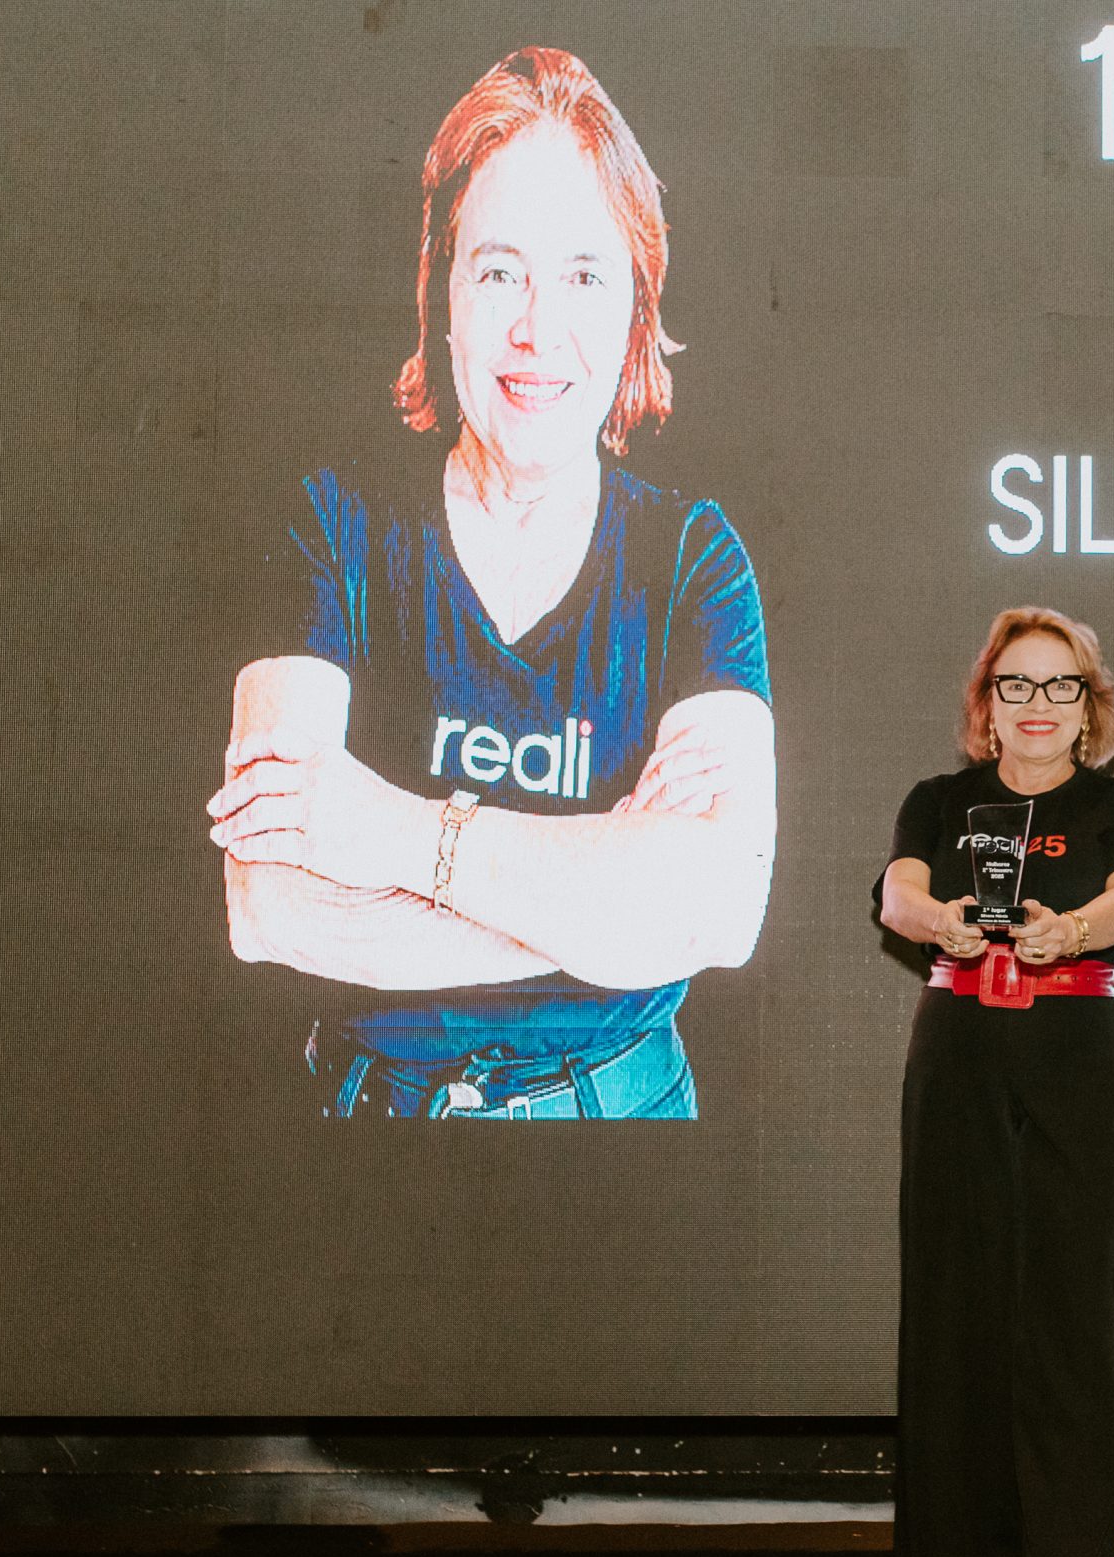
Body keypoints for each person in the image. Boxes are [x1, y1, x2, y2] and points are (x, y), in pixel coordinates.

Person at [206, 47, 774, 1120]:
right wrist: (612, 895)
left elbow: (721, 911)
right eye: (500, 270)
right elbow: (267, 904)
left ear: (635, 308)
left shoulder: (694, 557)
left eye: (584, 275)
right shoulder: (331, 525)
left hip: (626, 1126)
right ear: (443, 292)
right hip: (368, 1121)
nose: (536, 328)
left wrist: (388, 832)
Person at [875, 607, 1114, 1557]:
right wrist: (938, 922)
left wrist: (1073, 928)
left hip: (1075, 1053)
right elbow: (899, 890)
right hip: (957, 1050)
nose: (1037, 704)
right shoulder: (940, 800)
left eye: (1059, 686)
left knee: (1072, 1319)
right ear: (985, 703)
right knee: (956, 1312)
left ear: (1089, 708)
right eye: (1016, 684)